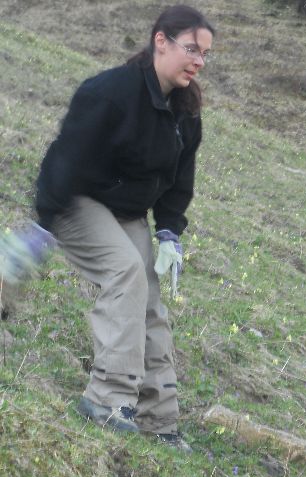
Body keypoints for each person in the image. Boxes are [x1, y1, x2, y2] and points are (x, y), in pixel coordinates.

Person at [2, 6, 216, 450]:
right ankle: (106, 400)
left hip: (127, 211)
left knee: (151, 300)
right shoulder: (110, 93)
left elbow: (180, 181)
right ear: (161, 41)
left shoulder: (185, 112)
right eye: (191, 49)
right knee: (125, 272)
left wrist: (169, 231)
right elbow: (66, 157)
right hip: (77, 200)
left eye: (206, 54)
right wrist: (44, 225)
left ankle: (159, 419)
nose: (198, 62)